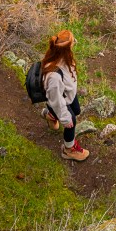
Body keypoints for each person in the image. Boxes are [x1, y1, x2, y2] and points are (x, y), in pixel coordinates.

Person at [41, 29, 89, 161]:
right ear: (66, 49)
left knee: (76, 110)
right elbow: (55, 99)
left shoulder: (62, 58)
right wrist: (65, 118)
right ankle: (69, 149)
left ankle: (50, 115)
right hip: (59, 100)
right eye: (73, 43)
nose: (74, 44)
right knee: (71, 122)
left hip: (67, 95)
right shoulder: (54, 76)